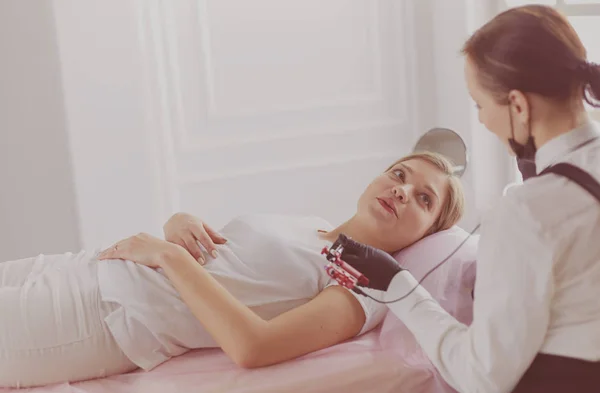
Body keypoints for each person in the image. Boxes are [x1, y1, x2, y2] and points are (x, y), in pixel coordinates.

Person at [0, 151, 464, 388]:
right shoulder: (315, 228)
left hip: (104, 317)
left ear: (428, 233)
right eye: (400, 174)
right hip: (88, 266)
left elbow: (254, 347)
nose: (402, 190)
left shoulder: (363, 285)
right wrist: (180, 226)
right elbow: (232, 262)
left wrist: (170, 257)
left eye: (425, 199)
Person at [333, 5, 600, 393]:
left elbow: (483, 377)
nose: (481, 120)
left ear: (519, 106)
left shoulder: (526, 212)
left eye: (480, 104)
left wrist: (397, 287)